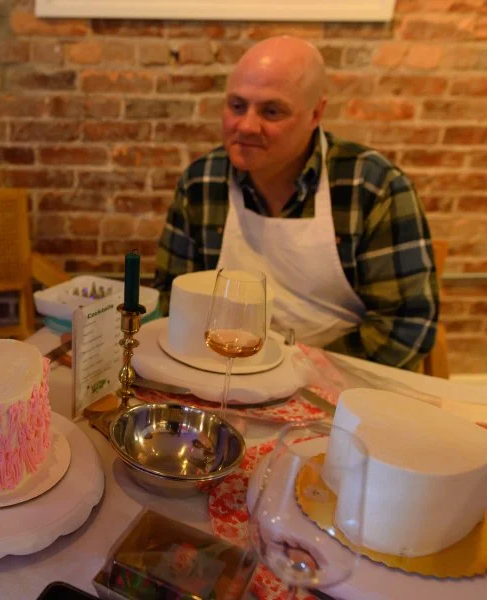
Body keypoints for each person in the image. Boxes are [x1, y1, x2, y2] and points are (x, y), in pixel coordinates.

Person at [154, 36, 439, 370]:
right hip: (228, 372)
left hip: (342, 385)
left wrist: (296, 370)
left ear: (316, 113)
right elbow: (173, 299)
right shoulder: (201, 182)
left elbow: (407, 327)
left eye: (271, 111)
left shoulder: (372, 187)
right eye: (236, 106)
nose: (246, 125)